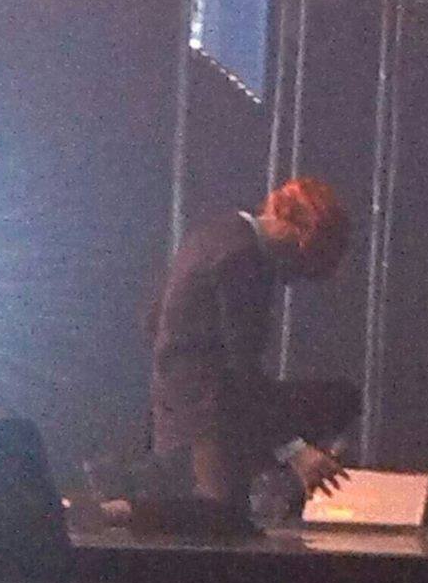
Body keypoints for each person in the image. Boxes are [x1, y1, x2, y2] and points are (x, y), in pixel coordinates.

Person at [146, 177, 359, 524]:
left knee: (339, 398)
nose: (293, 278)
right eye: (305, 263)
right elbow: (241, 370)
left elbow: (153, 319)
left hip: (186, 395)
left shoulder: (215, 234)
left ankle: (268, 478)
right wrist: (294, 449)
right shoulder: (242, 259)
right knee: (222, 518)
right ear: (301, 237)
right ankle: (118, 513)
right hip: (208, 408)